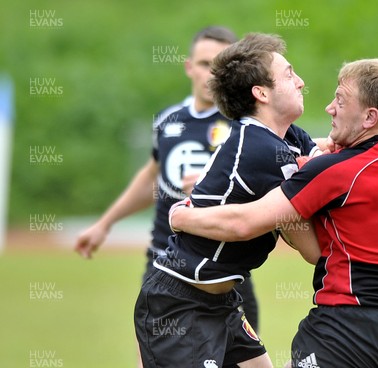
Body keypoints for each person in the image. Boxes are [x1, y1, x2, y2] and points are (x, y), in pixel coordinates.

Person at [169, 58, 378, 368]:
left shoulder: (340, 172)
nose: (329, 108)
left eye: (341, 101)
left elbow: (245, 223)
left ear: (370, 117)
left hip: (345, 331)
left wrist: (181, 216)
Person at [134, 33, 322, 368]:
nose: (301, 81)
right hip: (180, 302)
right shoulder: (261, 149)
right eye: (290, 74)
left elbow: (323, 156)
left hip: (221, 302)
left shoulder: (288, 136)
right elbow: (313, 252)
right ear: (261, 93)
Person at [73, 26, 265, 330]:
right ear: (189, 67)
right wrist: (105, 224)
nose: (212, 74)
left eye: (221, 67)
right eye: (204, 64)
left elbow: (267, 192)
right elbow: (152, 177)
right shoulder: (167, 120)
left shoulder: (246, 126)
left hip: (225, 270)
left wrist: (211, 187)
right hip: (166, 261)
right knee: (152, 356)